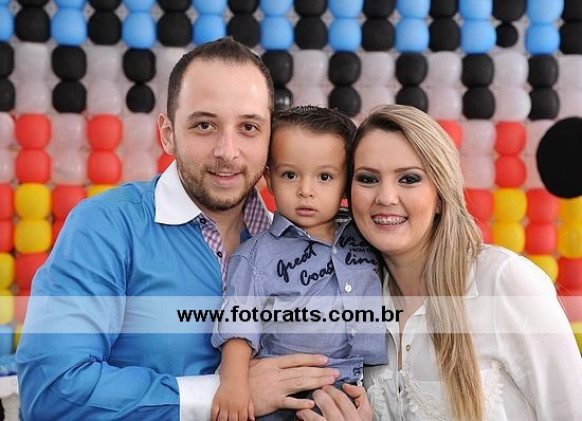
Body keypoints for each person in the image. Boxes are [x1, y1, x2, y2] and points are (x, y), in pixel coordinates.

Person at [15, 38, 342, 420]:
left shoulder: (299, 245)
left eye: (249, 127)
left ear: (270, 137)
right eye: (204, 125)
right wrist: (224, 394)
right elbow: (51, 391)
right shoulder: (105, 226)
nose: (227, 151)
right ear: (168, 133)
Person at [343, 104, 582, 420]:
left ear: (440, 195)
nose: (386, 197)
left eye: (409, 179)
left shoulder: (503, 280)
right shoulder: (356, 302)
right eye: (368, 178)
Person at [210, 106, 387, 421]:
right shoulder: (256, 256)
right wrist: (234, 385)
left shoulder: (369, 236)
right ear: (269, 178)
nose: (306, 191)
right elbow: (239, 324)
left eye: (324, 177)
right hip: (285, 399)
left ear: (347, 181)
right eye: (290, 175)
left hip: (357, 390)